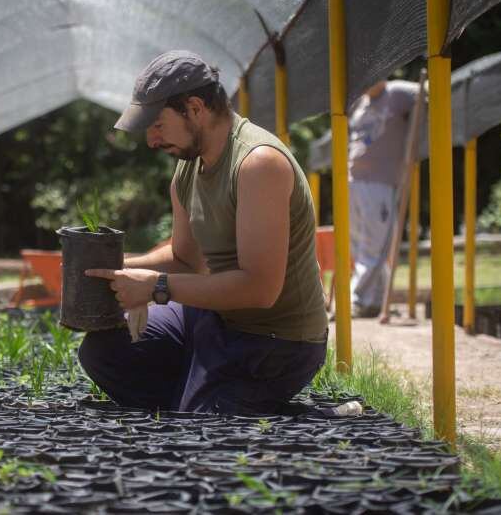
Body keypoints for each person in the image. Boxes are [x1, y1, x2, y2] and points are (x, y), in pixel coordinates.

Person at [80, 50, 328, 415]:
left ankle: (234, 404)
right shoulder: (188, 165)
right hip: (215, 319)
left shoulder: (257, 164)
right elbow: (183, 258)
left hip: (276, 341)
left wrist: (156, 287)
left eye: (158, 125)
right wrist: (111, 265)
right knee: (105, 352)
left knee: (203, 431)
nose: (151, 141)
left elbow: (260, 289)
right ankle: (199, 396)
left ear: (195, 108)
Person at [347, 79, 420, 318]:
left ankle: (358, 299)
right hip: (353, 181)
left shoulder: (398, 93)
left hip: (380, 182)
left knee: (374, 244)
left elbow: (432, 90)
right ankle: (375, 299)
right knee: (358, 245)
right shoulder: (361, 102)